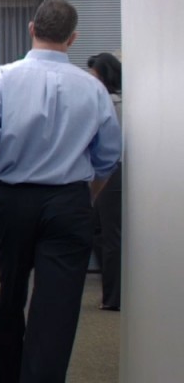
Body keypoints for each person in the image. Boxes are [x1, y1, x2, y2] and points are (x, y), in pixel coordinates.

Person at [0, 0, 122, 383]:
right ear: (72, 38)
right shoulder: (94, 89)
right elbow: (108, 159)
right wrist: (87, 198)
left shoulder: (0, 78)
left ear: (32, 28)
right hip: (69, 203)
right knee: (57, 309)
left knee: (11, 293)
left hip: (12, 202)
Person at [88, 52, 123, 311]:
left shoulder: (113, 104)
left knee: (110, 235)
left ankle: (113, 298)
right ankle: (110, 294)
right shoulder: (107, 102)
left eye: (94, 75)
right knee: (99, 232)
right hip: (101, 171)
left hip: (112, 171)